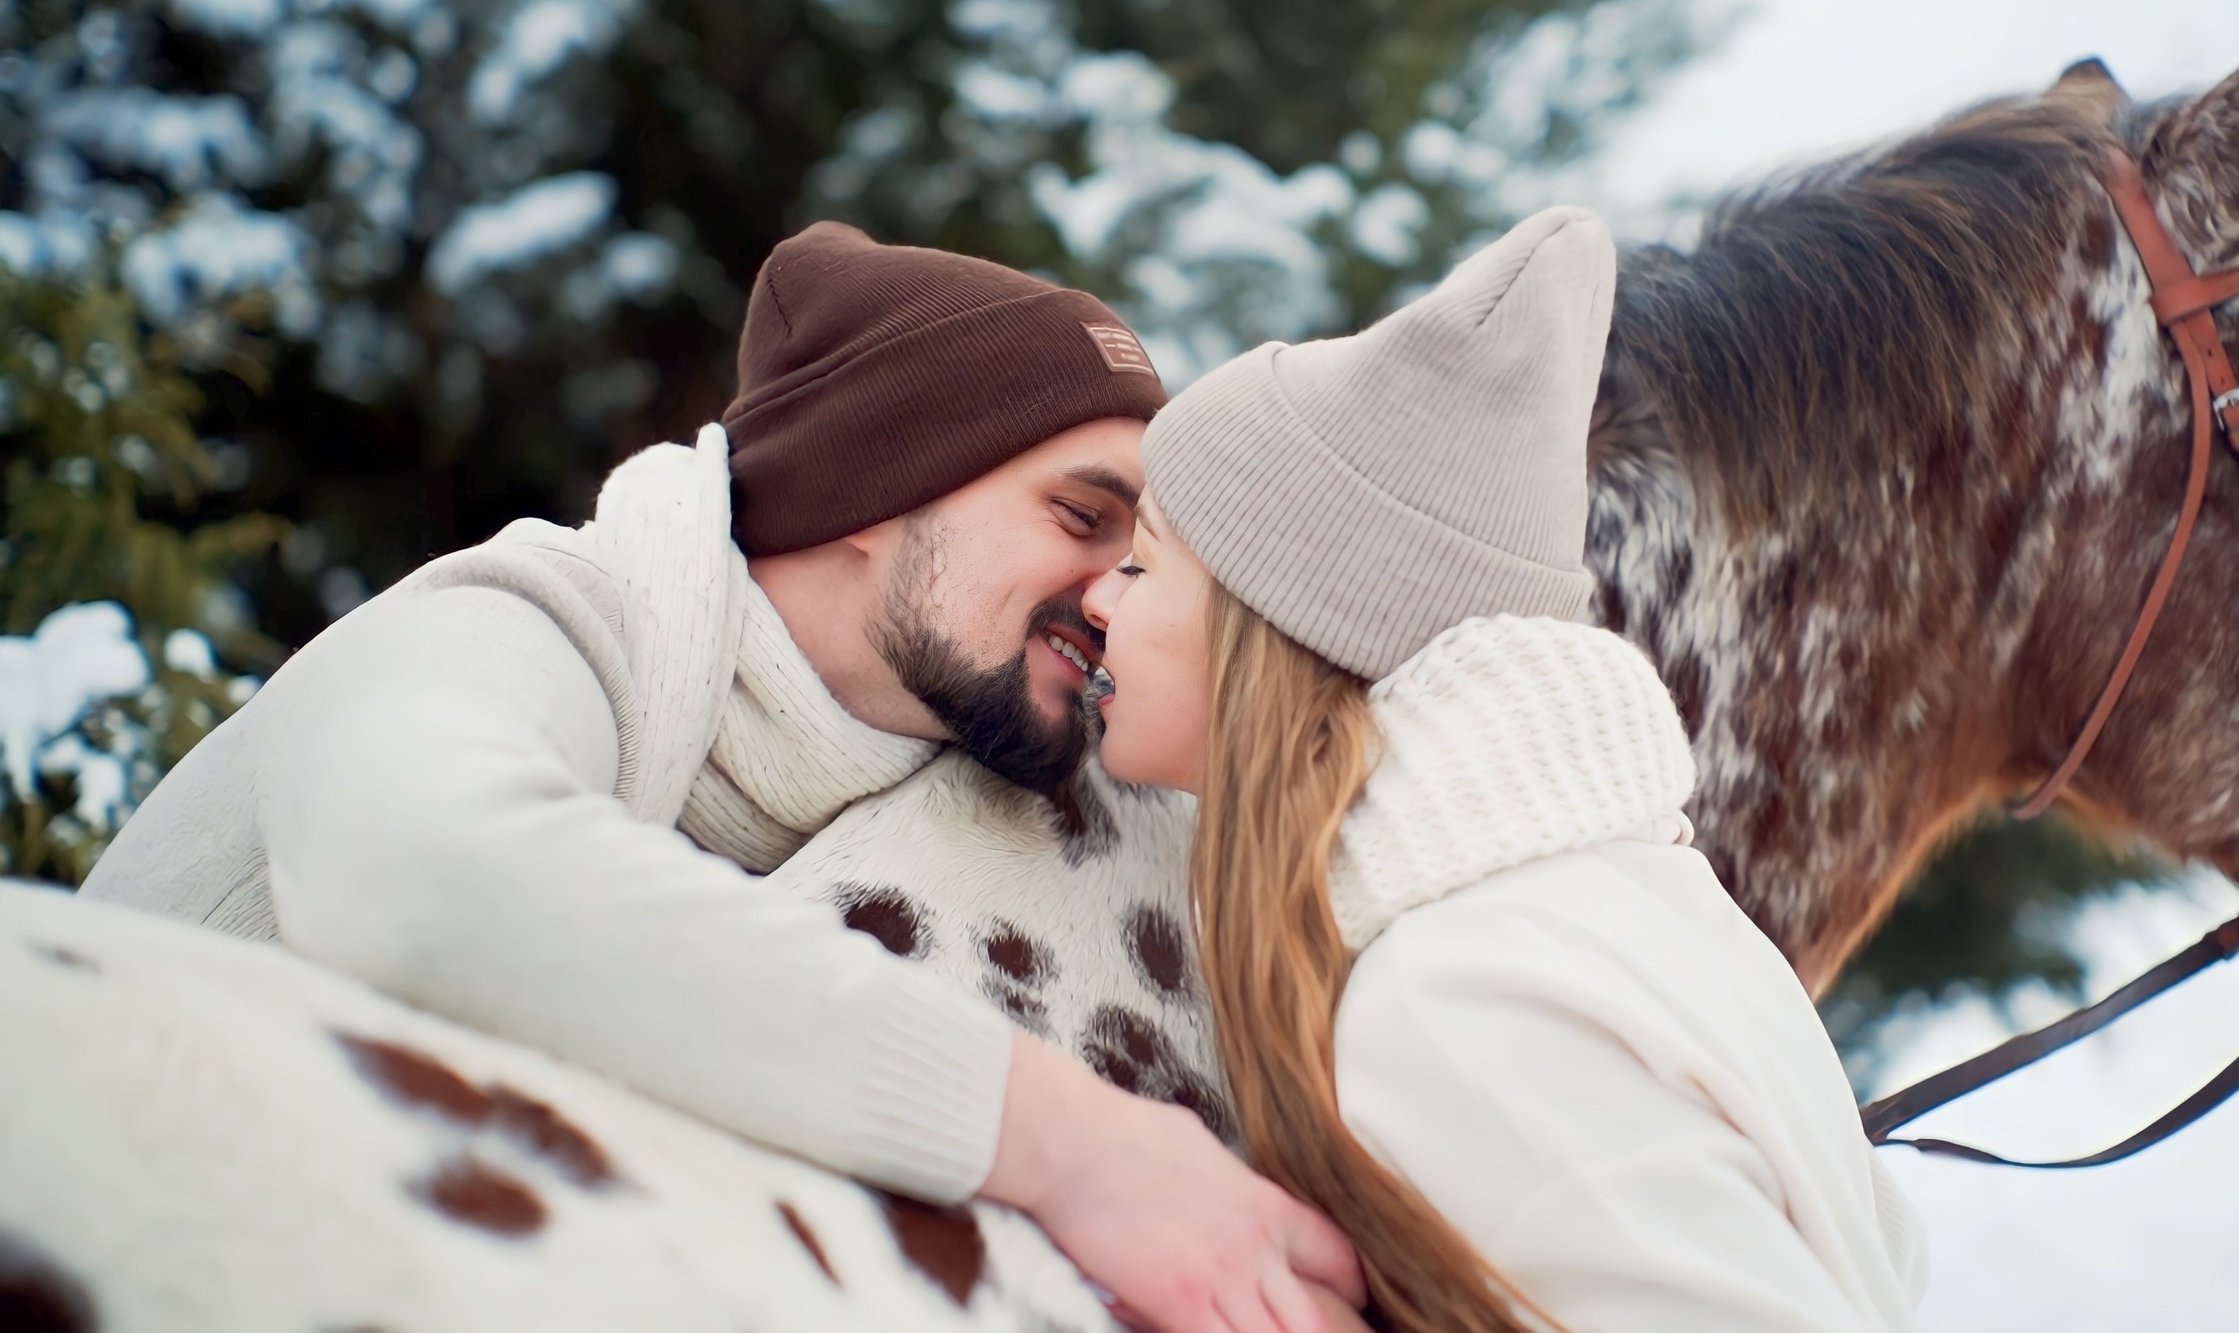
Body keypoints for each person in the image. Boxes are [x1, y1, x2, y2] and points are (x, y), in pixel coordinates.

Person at [79, 224, 1363, 1333]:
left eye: (1141, 553)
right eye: (1081, 518)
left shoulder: (942, 795)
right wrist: (1077, 1146)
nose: (1113, 595)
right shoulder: (529, 625)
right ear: (877, 478)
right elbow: (417, 872)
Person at [1080, 207, 1929, 1332]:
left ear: (1273, 623)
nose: (1097, 596)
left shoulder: (1450, 1002)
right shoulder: (1593, 907)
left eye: (1142, 563)